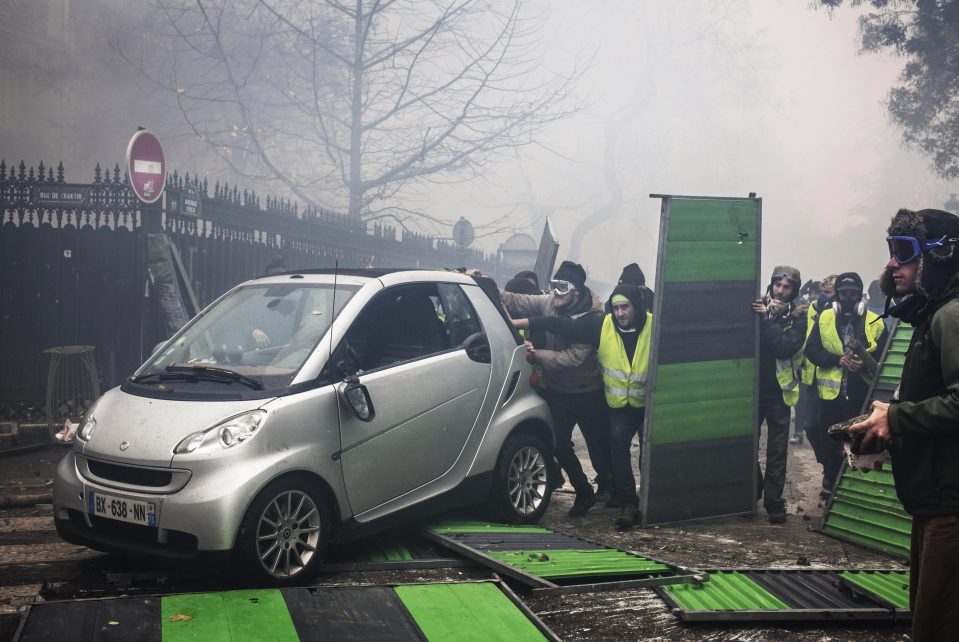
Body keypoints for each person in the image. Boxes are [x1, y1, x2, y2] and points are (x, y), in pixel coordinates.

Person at [850, 208, 959, 642]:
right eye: (891, 251)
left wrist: (897, 418)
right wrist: (885, 428)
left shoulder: (951, 316)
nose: (893, 263)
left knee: (935, 629)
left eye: (904, 252)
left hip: (951, 506)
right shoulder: (930, 316)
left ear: (940, 255)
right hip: (934, 500)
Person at [513, 280, 652, 529]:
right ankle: (627, 503)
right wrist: (519, 325)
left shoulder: (656, 326)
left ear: (637, 307)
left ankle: (650, 500)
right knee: (616, 442)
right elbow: (560, 325)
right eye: (616, 308)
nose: (620, 314)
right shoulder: (601, 324)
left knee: (648, 453)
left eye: (626, 308)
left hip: (650, 402)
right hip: (620, 405)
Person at [499, 260, 612, 516]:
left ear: (576, 291)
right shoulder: (550, 301)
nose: (556, 293)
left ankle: (611, 486)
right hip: (558, 392)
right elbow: (519, 300)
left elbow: (571, 358)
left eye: (562, 287)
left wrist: (535, 354)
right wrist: (489, 287)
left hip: (587, 392)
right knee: (559, 444)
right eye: (553, 286)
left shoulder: (592, 317)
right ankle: (583, 492)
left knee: (600, 443)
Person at [805, 272, 887, 497]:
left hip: (861, 396)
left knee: (855, 441)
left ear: (860, 297)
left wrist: (864, 364)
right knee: (826, 437)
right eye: (844, 294)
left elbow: (884, 360)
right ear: (837, 297)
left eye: (853, 294)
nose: (848, 298)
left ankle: (850, 487)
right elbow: (811, 350)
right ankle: (831, 477)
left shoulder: (875, 322)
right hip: (830, 395)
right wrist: (835, 360)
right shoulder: (824, 318)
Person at [752, 266, 807, 523]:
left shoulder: (798, 317)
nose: (781, 291)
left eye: (787, 287)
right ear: (771, 284)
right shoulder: (756, 307)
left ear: (794, 291)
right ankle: (754, 488)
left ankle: (775, 503)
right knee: (745, 445)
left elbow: (784, 348)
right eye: (778, 285)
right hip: (751, 391)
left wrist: (766, 321)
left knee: (776, 451)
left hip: (779, 394)